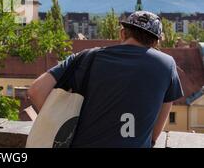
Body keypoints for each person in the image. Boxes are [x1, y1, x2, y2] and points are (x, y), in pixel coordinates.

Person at [28, 11, 184, 148]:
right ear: (156, 42)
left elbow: (36, 91)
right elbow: (159, 122)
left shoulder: (87, 57)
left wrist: (60, 125)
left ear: (122, 33)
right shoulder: (167, 65)